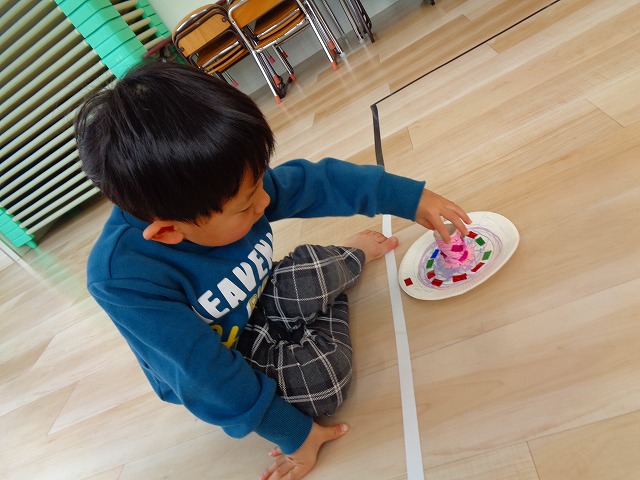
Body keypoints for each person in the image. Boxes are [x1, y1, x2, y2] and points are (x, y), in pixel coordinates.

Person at [75, 61, 470, 480]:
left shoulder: (230, 189)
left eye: (260, 183)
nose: (265, 202)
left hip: (258, 296)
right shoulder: (122, 279)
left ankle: (346, 261)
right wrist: (294, 434)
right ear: (170, 231)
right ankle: (332, 294)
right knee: (322, 387)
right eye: (247, 205)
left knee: (309, 271)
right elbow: (204, 376)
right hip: (230, 353)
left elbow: (317, 182)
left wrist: (408, 197)